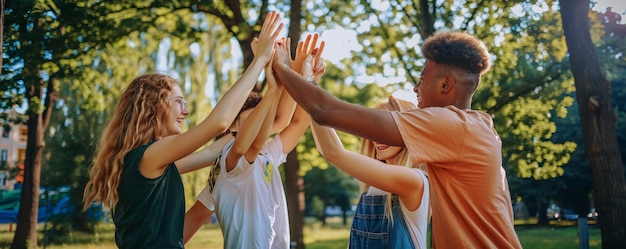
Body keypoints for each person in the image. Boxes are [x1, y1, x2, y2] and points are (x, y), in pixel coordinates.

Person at [272, 31, 523, 248]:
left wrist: (281, 67)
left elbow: (327, 111)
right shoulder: (475, 127)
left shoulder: (452, 125)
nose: (415, 89)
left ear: (446, 84)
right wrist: (308, 81)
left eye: (422, 80)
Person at [81, 11, 284, 249]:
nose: (185, 111)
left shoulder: (152, 164)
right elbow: (218, 123)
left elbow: (245, 137)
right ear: (153, 105)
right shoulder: (150, 156)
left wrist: (280, 85)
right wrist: (258, 61)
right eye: (179, 101)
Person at [183, 35, 326, 248]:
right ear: (231, 127)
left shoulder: (267, 153)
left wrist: (305, 77)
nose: (260, 123)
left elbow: (297, 122)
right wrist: (281, 82)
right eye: (252, 118)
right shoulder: (232, 157)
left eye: (263, 115)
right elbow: (254, 141)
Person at [309, 95, 429, 249]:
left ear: (407, 132)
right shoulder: (371, 187)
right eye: (374, 129)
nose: (377, 136)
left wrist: (309, 89)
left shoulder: (414, 180)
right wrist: (309, 98)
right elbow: (326, 149)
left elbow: (333, 153)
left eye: (386, 128)